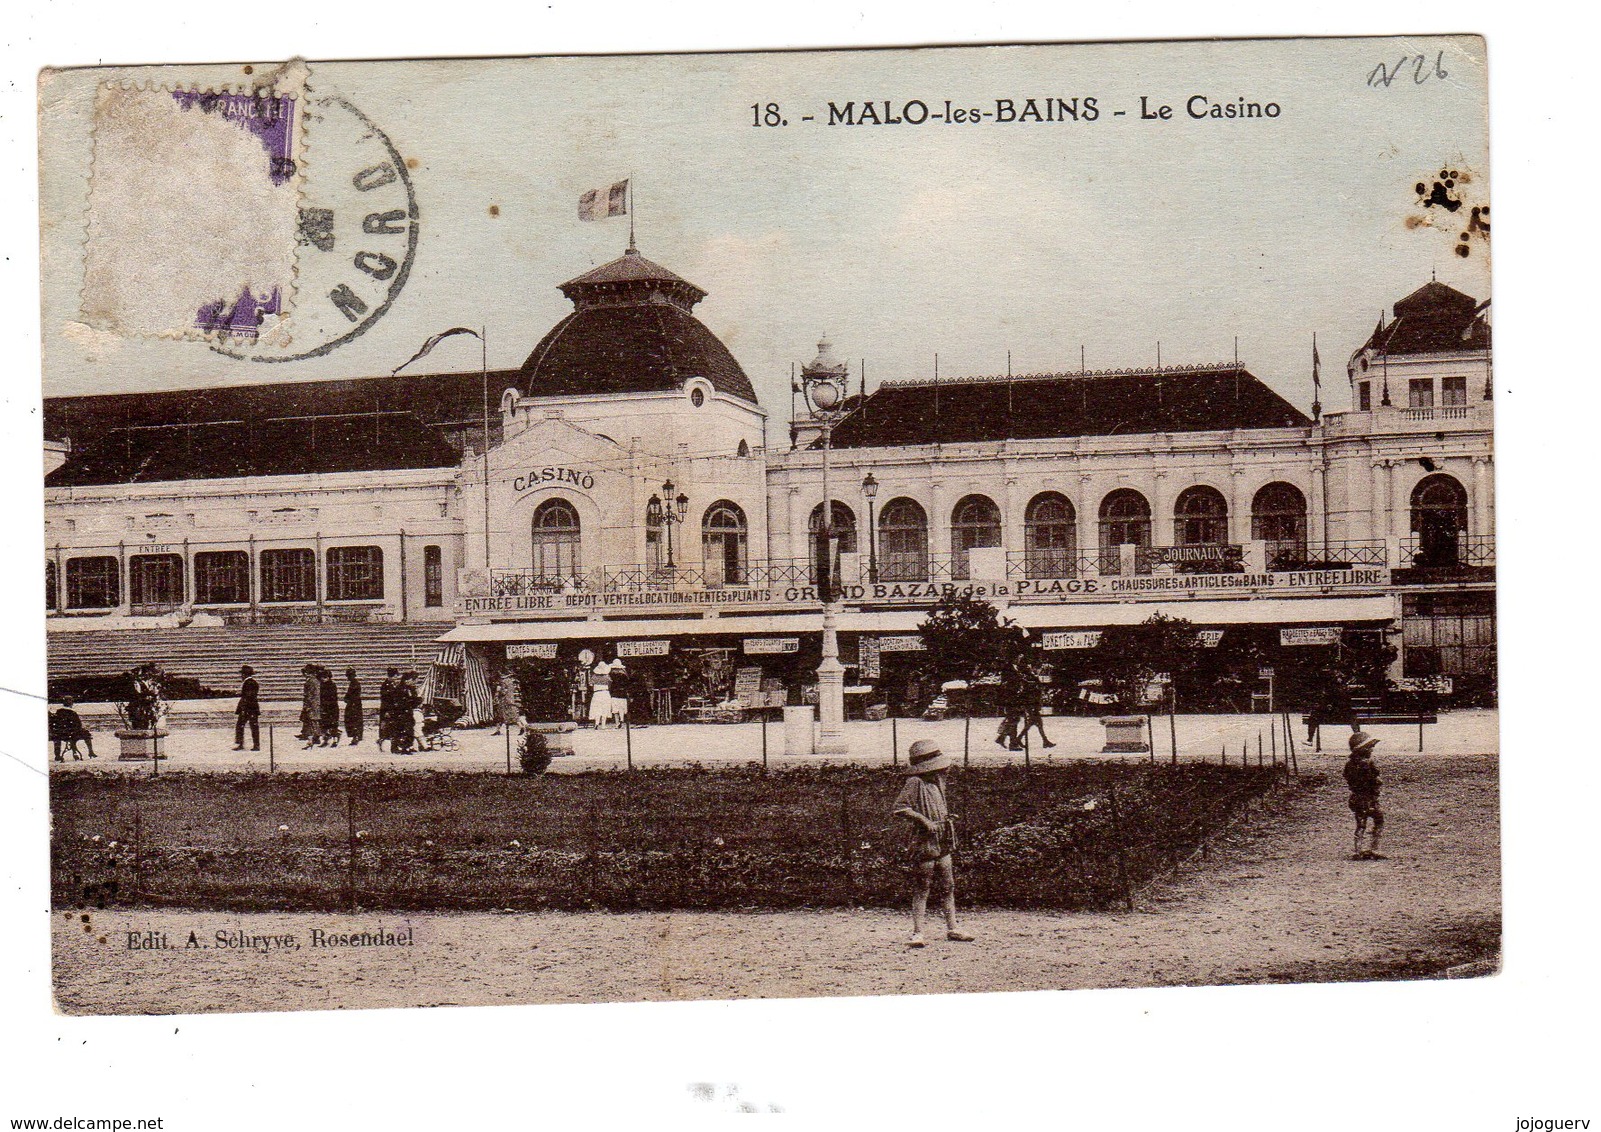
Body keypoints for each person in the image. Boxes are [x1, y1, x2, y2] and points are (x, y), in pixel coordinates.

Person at [891, 739, 975, 948]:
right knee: (923, 886)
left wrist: (946, 818)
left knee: (948, 886)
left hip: (943, 838)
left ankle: (953, 928)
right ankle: (918, 932)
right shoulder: (915, 783)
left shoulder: (937, 782)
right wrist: (925, 821)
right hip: (924, 841)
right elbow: (900, 808)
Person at [1343, 731, 1386, 860]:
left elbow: (1348, 778)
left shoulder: (1350, 764)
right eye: (1370, 747)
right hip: (1370, 799)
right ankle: (1374, 848)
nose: (1372, 749)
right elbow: (1376, 780)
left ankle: (1358, 850)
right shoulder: (1368, 764)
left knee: (1360, 824)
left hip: (1356, 798)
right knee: (1379, 820)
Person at [1015, 663, 1056, 750]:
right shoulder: (1025, 678)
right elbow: (1028, 688)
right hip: (1030, 703)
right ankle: (1044, 741)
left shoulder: (1030, 677)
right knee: (1035, 722)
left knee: (1036, 723)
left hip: (1033, 703)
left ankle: (1045, 741)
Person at [49, 696, 96, 761]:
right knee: (86, 734)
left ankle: (58, 755)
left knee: (58, 738)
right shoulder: (72, 713)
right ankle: (90, 752)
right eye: (71, 701)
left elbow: (56, 723)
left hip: (62, 733)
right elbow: (78, 724)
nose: (72, 702)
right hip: (72, 733)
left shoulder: (59, 712)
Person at [233, 665, 260, 751]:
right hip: (252, 707)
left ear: (244, 675)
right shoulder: (253, 682)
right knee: (253, 726)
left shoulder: (248, 683)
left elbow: (248, 697)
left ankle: (241, 744)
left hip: (247, 708)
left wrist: (244, 708)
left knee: (240, 725)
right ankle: (256, 745)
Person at [376, 667, 400, 751]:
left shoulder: (393, 684)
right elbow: (385, 699)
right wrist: (386, 711)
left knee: (393, 728)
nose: (396, 678)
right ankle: (381, 742)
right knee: (386, 728)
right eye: (395, 676)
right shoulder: (385, 685)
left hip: (393, 709)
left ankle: (394, 746)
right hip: (387, 710)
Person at [300, 664, 323, 749]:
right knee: (312, 721)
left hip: (312, 704)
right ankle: (315, 737)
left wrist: (308, 705)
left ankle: (316, 737)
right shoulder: (314, 680)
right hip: (313, 703)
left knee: (313, 721)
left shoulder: (312, 681)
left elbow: (311, 695)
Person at [318, 667, 341, 747]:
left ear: (328, 677)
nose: (323, 679)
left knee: (333, 725)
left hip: (332, 708)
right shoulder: (321, 686)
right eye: (322, 677)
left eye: (325, 677)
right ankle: (326, 741)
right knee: (324, 726)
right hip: (324, 707)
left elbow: (333, 698)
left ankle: (335, 741)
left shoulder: (332, 685)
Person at [493, 670, 520, 736]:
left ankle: (521, 727)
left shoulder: (503, 682)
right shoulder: (511, 681)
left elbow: (503, 692)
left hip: (504, 701)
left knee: (501, 715)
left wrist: (497, 693)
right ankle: (498, 730)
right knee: (508, 715)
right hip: (510, 700)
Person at [343, 667, 364, 746]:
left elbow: (353, 695)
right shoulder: (353, 683)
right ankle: (355, 736)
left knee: (354, 721)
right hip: (354, 704)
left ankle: (356, 737)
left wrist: (347, 699)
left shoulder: (355, 684)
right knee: (353, 721)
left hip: (354, 705)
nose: (348, 677)